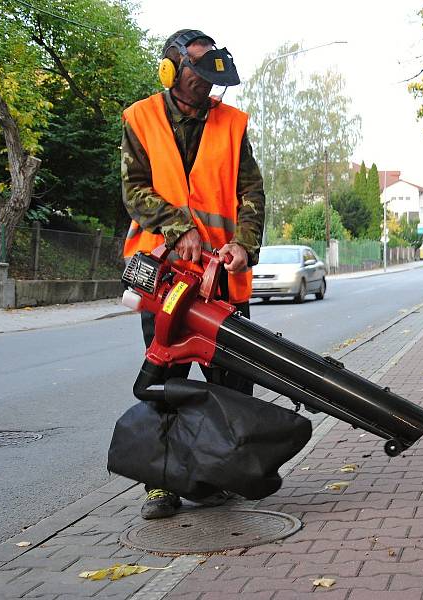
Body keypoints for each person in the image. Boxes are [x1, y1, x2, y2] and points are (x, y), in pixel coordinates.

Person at [121, 29, 265, 520]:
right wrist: (177, 226)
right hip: (162, 275)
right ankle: (159, 484)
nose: (206, 86)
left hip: (220, 277)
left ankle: (216, 476)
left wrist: (244, 244)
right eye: (197, 74)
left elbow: (251, 193)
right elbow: (133, 189)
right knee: (164, 376)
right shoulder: (140, 119)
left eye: (211, 76)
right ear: (170, 71)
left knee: (230, 383)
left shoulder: (232, 124)